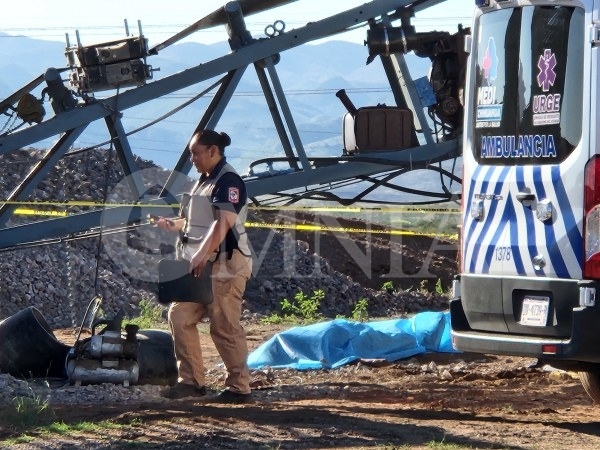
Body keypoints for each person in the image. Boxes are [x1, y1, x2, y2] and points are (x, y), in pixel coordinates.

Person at [155, 129, 253, 403]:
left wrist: (199, 254)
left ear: (213, 151)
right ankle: (191, 382)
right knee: (179, 316)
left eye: (196, 152)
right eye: (191, 153)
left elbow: (223, 222)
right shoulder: (203, 181)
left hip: (225, 264)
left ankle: (239, 387)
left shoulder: (228, 180)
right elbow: (193, 222)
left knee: (224, 326)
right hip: (198, 265)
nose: (192, 158)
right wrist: (171, 225)